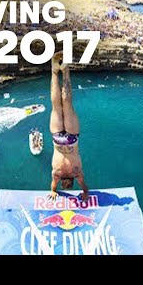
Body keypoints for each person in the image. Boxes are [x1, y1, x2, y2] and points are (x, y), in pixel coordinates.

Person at [48, 51, 89, 201]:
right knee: (66, 104)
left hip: (57, 138)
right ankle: (65, 71)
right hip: (72, 138)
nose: (64, 185)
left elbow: (53, 187)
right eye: (67, 186)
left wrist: (54, 191)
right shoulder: (77, 173)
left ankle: (54, 71)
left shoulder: (56, 174)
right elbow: (85, 187)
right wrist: (85, 192)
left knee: (56, 106)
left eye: (62, 186)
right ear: (71, 182)